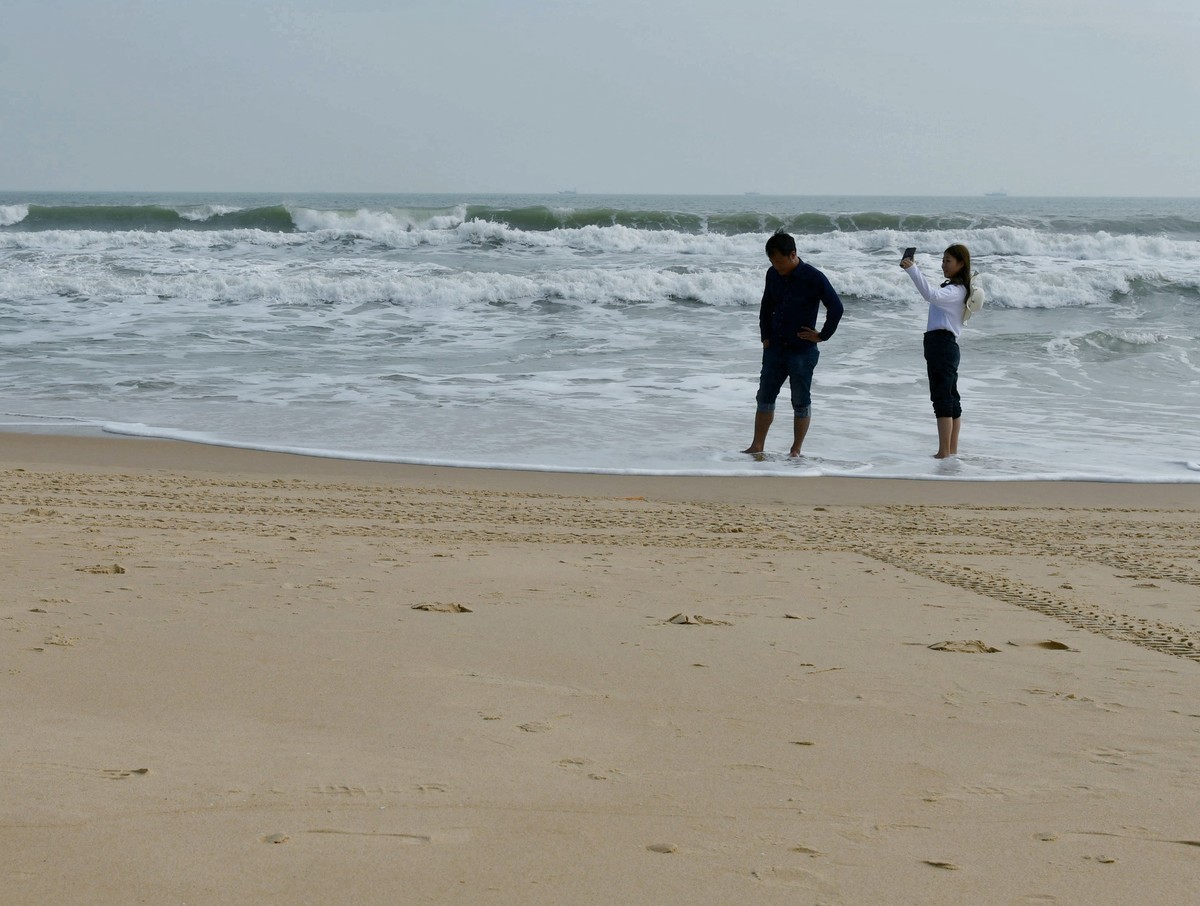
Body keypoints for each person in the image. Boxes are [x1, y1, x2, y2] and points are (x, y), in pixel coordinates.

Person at [742, 231, 844, 457]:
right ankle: (757, 446)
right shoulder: (772, 274)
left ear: (793, 254)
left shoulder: (814, 277)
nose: (775, 265)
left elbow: (836, 308)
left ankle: (796, 450)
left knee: (800, 400)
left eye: (779, 261)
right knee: (764, 397)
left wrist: (822, 335)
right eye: (772, 261)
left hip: (802, 351)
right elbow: (766, 307)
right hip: (775, 348)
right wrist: (765, 337)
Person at [901, 244, 971, 458]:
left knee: (942, 398)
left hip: (942, 345)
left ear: (961, 264)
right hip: (945, 345)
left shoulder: (955, 291)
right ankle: (951, 450)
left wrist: (912, 269)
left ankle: (943, 452)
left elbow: (930, 295)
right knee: (951, 397)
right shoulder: (956, 289)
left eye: (948, 261)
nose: (943, 265)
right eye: (943, 260)